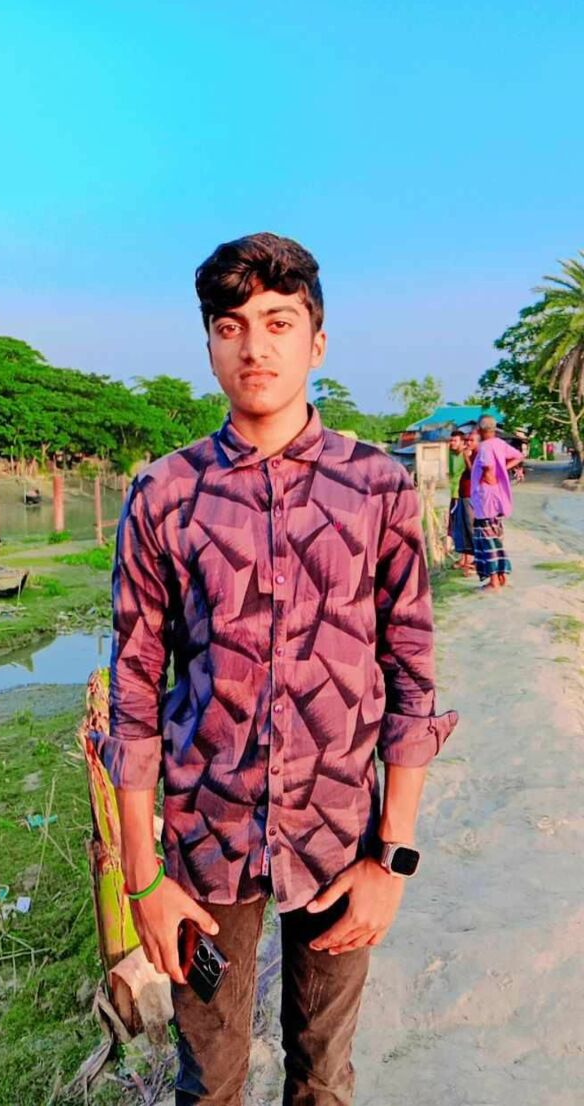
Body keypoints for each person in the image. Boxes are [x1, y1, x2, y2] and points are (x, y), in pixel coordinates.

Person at [91, 232, 458, 1106]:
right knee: (209, 1084)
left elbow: (410, 672)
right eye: (231, 327)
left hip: (339, 836)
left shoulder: (377, 488)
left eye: (278, 322)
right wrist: (142, 877)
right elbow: (135, 690)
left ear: (316, 342)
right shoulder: (165, 495)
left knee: (322, 1078)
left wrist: (392, 860)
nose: (254, 346)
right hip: (204, 846)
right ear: (210, 345)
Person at [470, 415, 524, 590]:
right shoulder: (500, 443)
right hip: (497, 498)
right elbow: (519, 456)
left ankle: (493, 581)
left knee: (487, 540)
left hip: (485, 498)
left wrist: (490, 476)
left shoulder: (485, 446)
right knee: (496, 537)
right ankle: (501, 577)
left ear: (480, 429)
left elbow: (487, 467)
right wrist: (503, 469)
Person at [452, 429, 479, 575]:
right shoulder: (469, 453)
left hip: (470, 495)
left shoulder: (477, 455)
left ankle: (476, 559)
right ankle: (467, 559)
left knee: (471, 527)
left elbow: (473, 472)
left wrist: (466, 457)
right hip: (462, 495)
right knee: (463, 528)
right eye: (467, 440)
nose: (468, 443)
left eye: (471, 440)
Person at [447, 430, 466, 562]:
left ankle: (466, 558)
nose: (452, 443)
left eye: (455, 441)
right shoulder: (451, 455)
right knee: (453, 524)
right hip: (453, 493)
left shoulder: (466, 455)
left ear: (462, 442)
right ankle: (460, 555)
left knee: (462, 525)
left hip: (463, 494)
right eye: (451, 440)